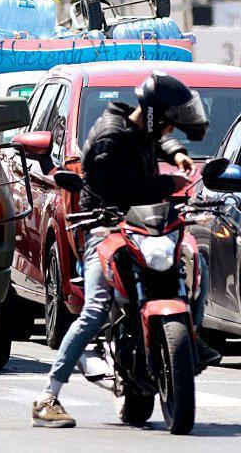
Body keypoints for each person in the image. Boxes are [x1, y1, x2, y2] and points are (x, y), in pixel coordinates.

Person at [31, 71, 220, 428]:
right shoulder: (109, 140)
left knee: (194, 258)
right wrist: (168, 182)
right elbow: (125, 190)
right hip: (105, 228)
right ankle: (47, 397)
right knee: (95, 309)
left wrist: (177, 153)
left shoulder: (137, 128)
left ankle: (191, 336)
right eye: (169, 124)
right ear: (155, 117)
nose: (169, 131)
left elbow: (155, 142)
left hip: (145, 223)